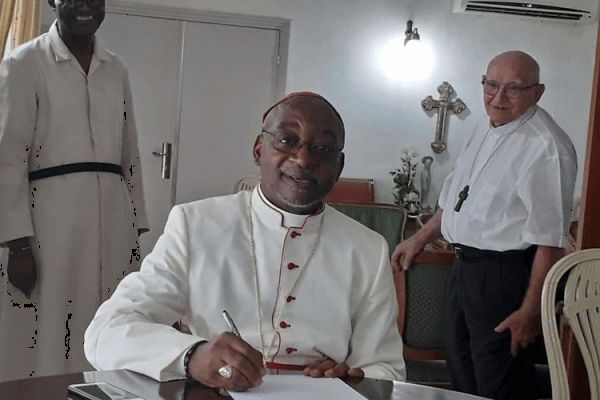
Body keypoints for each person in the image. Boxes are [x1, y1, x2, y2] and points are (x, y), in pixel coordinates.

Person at [84, 92, 406, 392]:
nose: (304, 159)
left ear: (339, 166)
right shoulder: (196, 224)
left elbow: (386, 370)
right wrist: (192, 356)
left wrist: (350, 378)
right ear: (258, 150)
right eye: (287, 141)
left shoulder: (368, 248)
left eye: (323, 149)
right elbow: (106, 333)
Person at [392, 51, 577, 400]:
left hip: (504, 277)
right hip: (464, 269)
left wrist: (530, 311)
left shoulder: (547, 147)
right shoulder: (485, 123)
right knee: (462, 371)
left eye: (513, 88)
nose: (498, 97)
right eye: (491, 85)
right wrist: (420, 238)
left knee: (498, 383)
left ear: (537, 93)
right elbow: (457, 196)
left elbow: (549, 240)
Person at [0, 0, 148, 382]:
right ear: (52, 2)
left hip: (113, 216)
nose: (85, 6)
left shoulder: (116, 68)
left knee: (110, 315)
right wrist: (17, 244)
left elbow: (129, 148)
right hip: (49, 220)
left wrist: (137, 223)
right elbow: (8, 156)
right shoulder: (23, 64)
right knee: (50, 324)